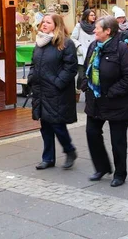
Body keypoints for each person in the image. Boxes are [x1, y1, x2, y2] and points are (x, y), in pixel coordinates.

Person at [82, 16, 128, 187]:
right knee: (92, 134)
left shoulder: (122, 50)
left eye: (97, 28)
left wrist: (113, 91)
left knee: (118, 141)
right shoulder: (94, 47)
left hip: (117, 103)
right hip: (96, 101)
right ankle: (102, 167)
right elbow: (87, 68)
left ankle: (120, 173)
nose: (94, 30)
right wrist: (85, 84)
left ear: (108, 31)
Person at [29, 14, 79, 170]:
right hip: (41, 91)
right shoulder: (40, 43)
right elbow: (34, 64)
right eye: (43, 22)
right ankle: (48, 158)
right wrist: (31, 77)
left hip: (57, 92)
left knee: (57, 125)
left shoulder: (65, 43)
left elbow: (70, 67)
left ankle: (69, 150)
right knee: (45, 127)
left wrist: (58, 83)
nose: (43, 24)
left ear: (56, 25)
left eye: (48, 22)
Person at [71, 9, 96, 102]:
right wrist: (79, 47)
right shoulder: (79, 26)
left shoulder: (96, 26)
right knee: (81, 76)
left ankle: (89, 96)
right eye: (91, 15)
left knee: (92, 76)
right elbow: (73, 38)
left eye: (94, 15)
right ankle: (77, 92)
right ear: (86, 16)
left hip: (93, 54)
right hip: (82, 54)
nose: (93, 17)